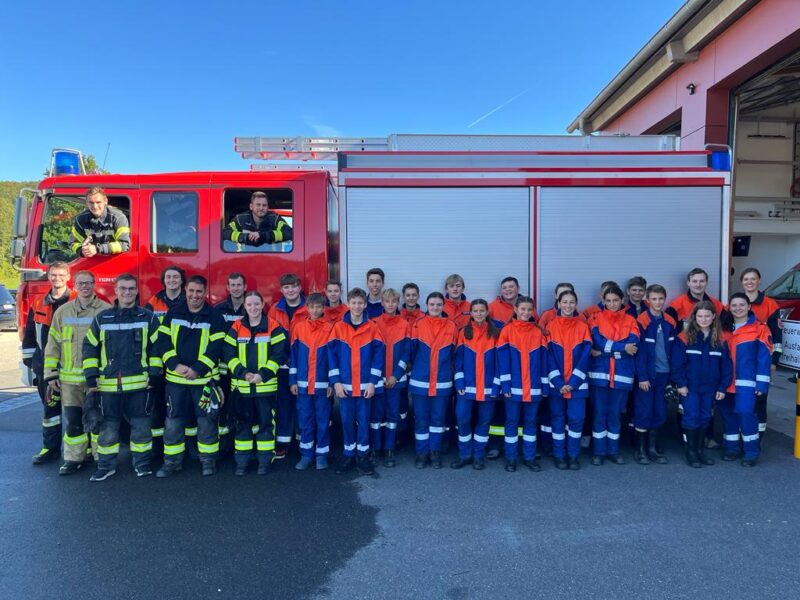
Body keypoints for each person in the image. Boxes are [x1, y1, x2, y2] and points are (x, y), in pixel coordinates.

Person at [82, 274, 161, 481]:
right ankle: (106, 466)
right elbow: (89, 347)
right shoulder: (102, 318)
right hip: (108, 387)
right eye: (123, 288)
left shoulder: (148, 318)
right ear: (115, 291)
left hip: (140, 386)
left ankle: (142, 464)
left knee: (142, 429)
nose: (127, 292)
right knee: (108, 430)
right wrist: (91, 376)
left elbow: (157, 350)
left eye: (131, 289)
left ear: (137, 291)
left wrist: (154, 376)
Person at [155, 275, 227, 477]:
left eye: (199, 292)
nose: (194, 295)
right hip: (175, 382)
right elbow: (163, 342)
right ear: (186, 290)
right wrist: (175, 364)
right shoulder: (173, 313)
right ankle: (172, 462)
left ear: (205, 293)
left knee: (206, 422)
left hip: (203, 381)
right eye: (191, 291)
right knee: (173, 422)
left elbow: (216, 348)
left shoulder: (214, 317)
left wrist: (197, 369)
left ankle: (208, 461)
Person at [43, 270, 111, 475]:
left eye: (89, 283)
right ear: (74, 284)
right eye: (81, 283)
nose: (85, 287)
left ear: (94, 284)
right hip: (69, 381)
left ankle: (102, 459)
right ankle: (74, 459)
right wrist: (51, 373)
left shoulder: (105, 310)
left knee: (100, 422)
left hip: (97, 379)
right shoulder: (62, 312)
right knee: (73, 422)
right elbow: (52, 344)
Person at [224, 291, 288, 475]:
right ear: (245, 306)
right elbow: (228, 353)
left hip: (265, 388)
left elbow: (280, 354)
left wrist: (263, 374)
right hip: (242, 388)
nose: (253, 308)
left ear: (262, 305)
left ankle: (264, 461)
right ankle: (242, 462)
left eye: (256, 304)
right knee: (242, 425)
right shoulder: (236, 327)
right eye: (249, 305)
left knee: (266, 425)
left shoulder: (273, 326)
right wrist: (243, 373)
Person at [22, 261, 76, 464]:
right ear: (48, 276)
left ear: (68, 277)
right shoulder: (39, 304)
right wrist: (30, 360)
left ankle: (79, 451)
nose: (57, 279)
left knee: (75, 411)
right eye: (53, 275)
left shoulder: (77, 301)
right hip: (45, 367)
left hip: (72, 367)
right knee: (50, 411)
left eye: (61, 275)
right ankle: (50, 448)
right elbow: (29, 335)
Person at [328, 287, 385, 475]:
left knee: (363, 421)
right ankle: (348, 455)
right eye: (354, 303)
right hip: (344, 386)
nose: (357, 306)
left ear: (365, 304)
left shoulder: (373, 327)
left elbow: (378, 357)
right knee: (346, 421)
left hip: (364, 386)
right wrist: (335, 382)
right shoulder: (338, 327)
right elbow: (332, 356)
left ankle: (363, 456)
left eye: (360, 303)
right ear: (349, 304)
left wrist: (372, 382)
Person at [671, 302, 732, 468]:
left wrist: (722, 387)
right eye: (700, 316)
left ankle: (700, 451)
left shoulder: (720, 340)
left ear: (713, 317)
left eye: (707, 316)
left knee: (705, 417)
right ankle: (691, 452)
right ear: (694, 317)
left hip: (710, 389)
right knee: (691, 417)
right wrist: (680, 384)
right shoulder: (684, 338)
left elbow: (726, 366)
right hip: (690, 388)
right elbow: (677, 364)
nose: (703, 319)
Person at [588, 285, 640, 465]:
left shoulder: (631, 320)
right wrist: (620, 349)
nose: (612, 304)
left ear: (622, 301)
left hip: (621, 375)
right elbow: (597, 341)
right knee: (599, 414)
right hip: (599, 374)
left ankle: (614, 451)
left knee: (615, 414)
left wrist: (606, 351)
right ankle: (599, 452)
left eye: (615, 300)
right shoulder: (595, 318)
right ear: (603, 301)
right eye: (608, 300)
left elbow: (633, 344)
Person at [720, 293, 772, 467]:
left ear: (749, 307)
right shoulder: (724, 329)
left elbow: (764, 359)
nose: (738, 308)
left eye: (742, 305)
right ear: (729, 308)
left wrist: (762, 384)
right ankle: (732, 448)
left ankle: (751, 452)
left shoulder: (760, 329)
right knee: (728, 415)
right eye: (734, 305)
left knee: (746, 414)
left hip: (746, 384)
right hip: (726, 383)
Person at [497, 296, 548, 472]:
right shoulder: (507, 331)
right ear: (516, 310)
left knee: (530, 423)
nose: (526, 312)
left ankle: (529, 457)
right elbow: (502, 361)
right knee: (511, 422)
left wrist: (545, 386)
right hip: (513, 388)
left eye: (529, 309)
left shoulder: (538, 332)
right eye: (522, 309)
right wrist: (505, 385)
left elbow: (544, 362)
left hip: (534, 387)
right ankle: (511, 458)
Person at [409, 292, 457, 469]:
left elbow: (455, 354)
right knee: (421, 419)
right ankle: (422, 453)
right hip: (420, 382)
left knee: (438, 420)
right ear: (427, 306)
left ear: (443, 306)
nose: (435, 307)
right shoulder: (417, 325)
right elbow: (411, 352)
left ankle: (434, 452)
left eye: (438, 304)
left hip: (442, 382)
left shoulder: (451, 326)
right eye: (432, 304)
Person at [546, 289, 592, 470]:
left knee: (576, 419)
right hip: (556, 384)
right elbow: (547, 356)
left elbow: (585, 356)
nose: (568, 306)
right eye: (564, 302)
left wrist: (573, 383)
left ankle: (573, 455)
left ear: (576, 304)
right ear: (558, 303)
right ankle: (559, 455)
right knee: (557, 419)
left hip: (577, 385)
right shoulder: (550, 326)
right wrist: (559, 382)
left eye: (572, 302)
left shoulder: (583, 327)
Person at [452, 299, 500, 470]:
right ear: (470, 313)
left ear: (487, 312)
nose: (479, 314)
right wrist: (459, 381)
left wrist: (496, 385)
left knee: (484, 422)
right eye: (475, 311)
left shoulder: (495, 333)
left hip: (488, 388)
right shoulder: (464, 332)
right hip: (467, 387)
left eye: (482, 311)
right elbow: (458, 359)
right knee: (462, 419)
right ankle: (465, 455)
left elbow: (500, 362)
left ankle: (478, 456)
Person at [633, 284, 678, 465]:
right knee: (644, 411)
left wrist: (673, 377)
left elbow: (674, 350)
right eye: (654, 299)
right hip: (647, 376)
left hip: (664, 375)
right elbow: (639, 352)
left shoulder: (670, 321)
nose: (657, 302)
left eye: (660, 299)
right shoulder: (641, 320)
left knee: (659, 411)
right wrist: (642, 376)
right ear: (647, 300)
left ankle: (652, 448)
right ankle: (640, 450)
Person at [144, 266, 187, 457]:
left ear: (181, 280)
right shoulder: (153, 303)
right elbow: (147, 335)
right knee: (157, 408)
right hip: (158, 364)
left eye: (176, 277)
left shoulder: (189, 300)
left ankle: (183, 447)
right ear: (164, 280)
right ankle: (157, 449)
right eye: (168, 277)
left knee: (180, 409)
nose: (172, 280)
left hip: (180, 364)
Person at [289, 293, 334, 470]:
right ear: (306, 308)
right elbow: (293, 356)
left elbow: (334, 358)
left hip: (323, 385)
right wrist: (292, 380)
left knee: (323, 421)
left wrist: (332, 383)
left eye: (319, 307)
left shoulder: (331, 328)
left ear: (324, 308)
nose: (315, 310)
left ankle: (322, 455)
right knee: (305, 421)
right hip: (303, 384)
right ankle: (306, 455)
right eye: (312, 307)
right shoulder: (299, 327)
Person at [739, 267, 783, 441]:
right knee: (742, 402)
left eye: (753, 279)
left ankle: (758, 438)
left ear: (759, 281)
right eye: (746, 279)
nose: (749, 282)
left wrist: (774, 361)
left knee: (760, 400)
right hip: (742, 362)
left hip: (762, 362)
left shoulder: (771, 305)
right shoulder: (735, 303)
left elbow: (777, 337)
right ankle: (743, 436)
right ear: (742, 282)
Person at [268, 273, 308, 458]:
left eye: (293, 286)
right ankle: (283, 444)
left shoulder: (310, 307)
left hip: (305, 366)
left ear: (300, 287)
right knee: (283, 406)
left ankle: (302, 443)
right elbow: (269, 337)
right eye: (286, 287)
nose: (290, 290)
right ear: (281, 290)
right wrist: (281, 358)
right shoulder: (275, 309)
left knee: (303, 406)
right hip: (282, 366)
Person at [371, 289, 411, 467]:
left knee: (393, 415)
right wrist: (377, 376)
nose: (390, 304)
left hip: (396, 379)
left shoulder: (405, 324)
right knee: (377, 415)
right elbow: (370, 353)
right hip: (377, 379)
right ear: (382, 303)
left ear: (398, 302)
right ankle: (375, 448)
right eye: (387, 301)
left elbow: (407, 353)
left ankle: (389, 449)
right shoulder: (373, 323)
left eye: (394, 301)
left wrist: (396, 375)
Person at [213, 272, 248, 455]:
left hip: (243, 370)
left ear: (245, 287)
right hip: (223, 372)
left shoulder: (251, 308)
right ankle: (224, 447)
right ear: (228, 288)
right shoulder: (218, 310)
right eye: (232, 285)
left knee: (242, 409)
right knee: (222, 408)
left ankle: (240, 445)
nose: (236, 288)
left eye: (239, 285)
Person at [69, 187, 131, 257]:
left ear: (105, 201)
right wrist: (82, 251)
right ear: (86, 202)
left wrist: (97, 248)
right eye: (91, 203)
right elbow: (73, 243)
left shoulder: (118, 218)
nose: (95, 206)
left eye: (98, 202)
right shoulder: (80, 220)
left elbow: (125, 244)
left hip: (116, 262)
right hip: (91, 264)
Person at [222, 190, 292, 247]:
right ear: (251, 206)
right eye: (258, 205)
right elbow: (224, 233)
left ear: (268, 207)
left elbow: (289, 233)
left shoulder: (274, 219)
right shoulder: (240, 219)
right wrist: (245, 237)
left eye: (264, 205)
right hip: (245, 259)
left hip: (271, 259)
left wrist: (263, 236)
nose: (261, 208)